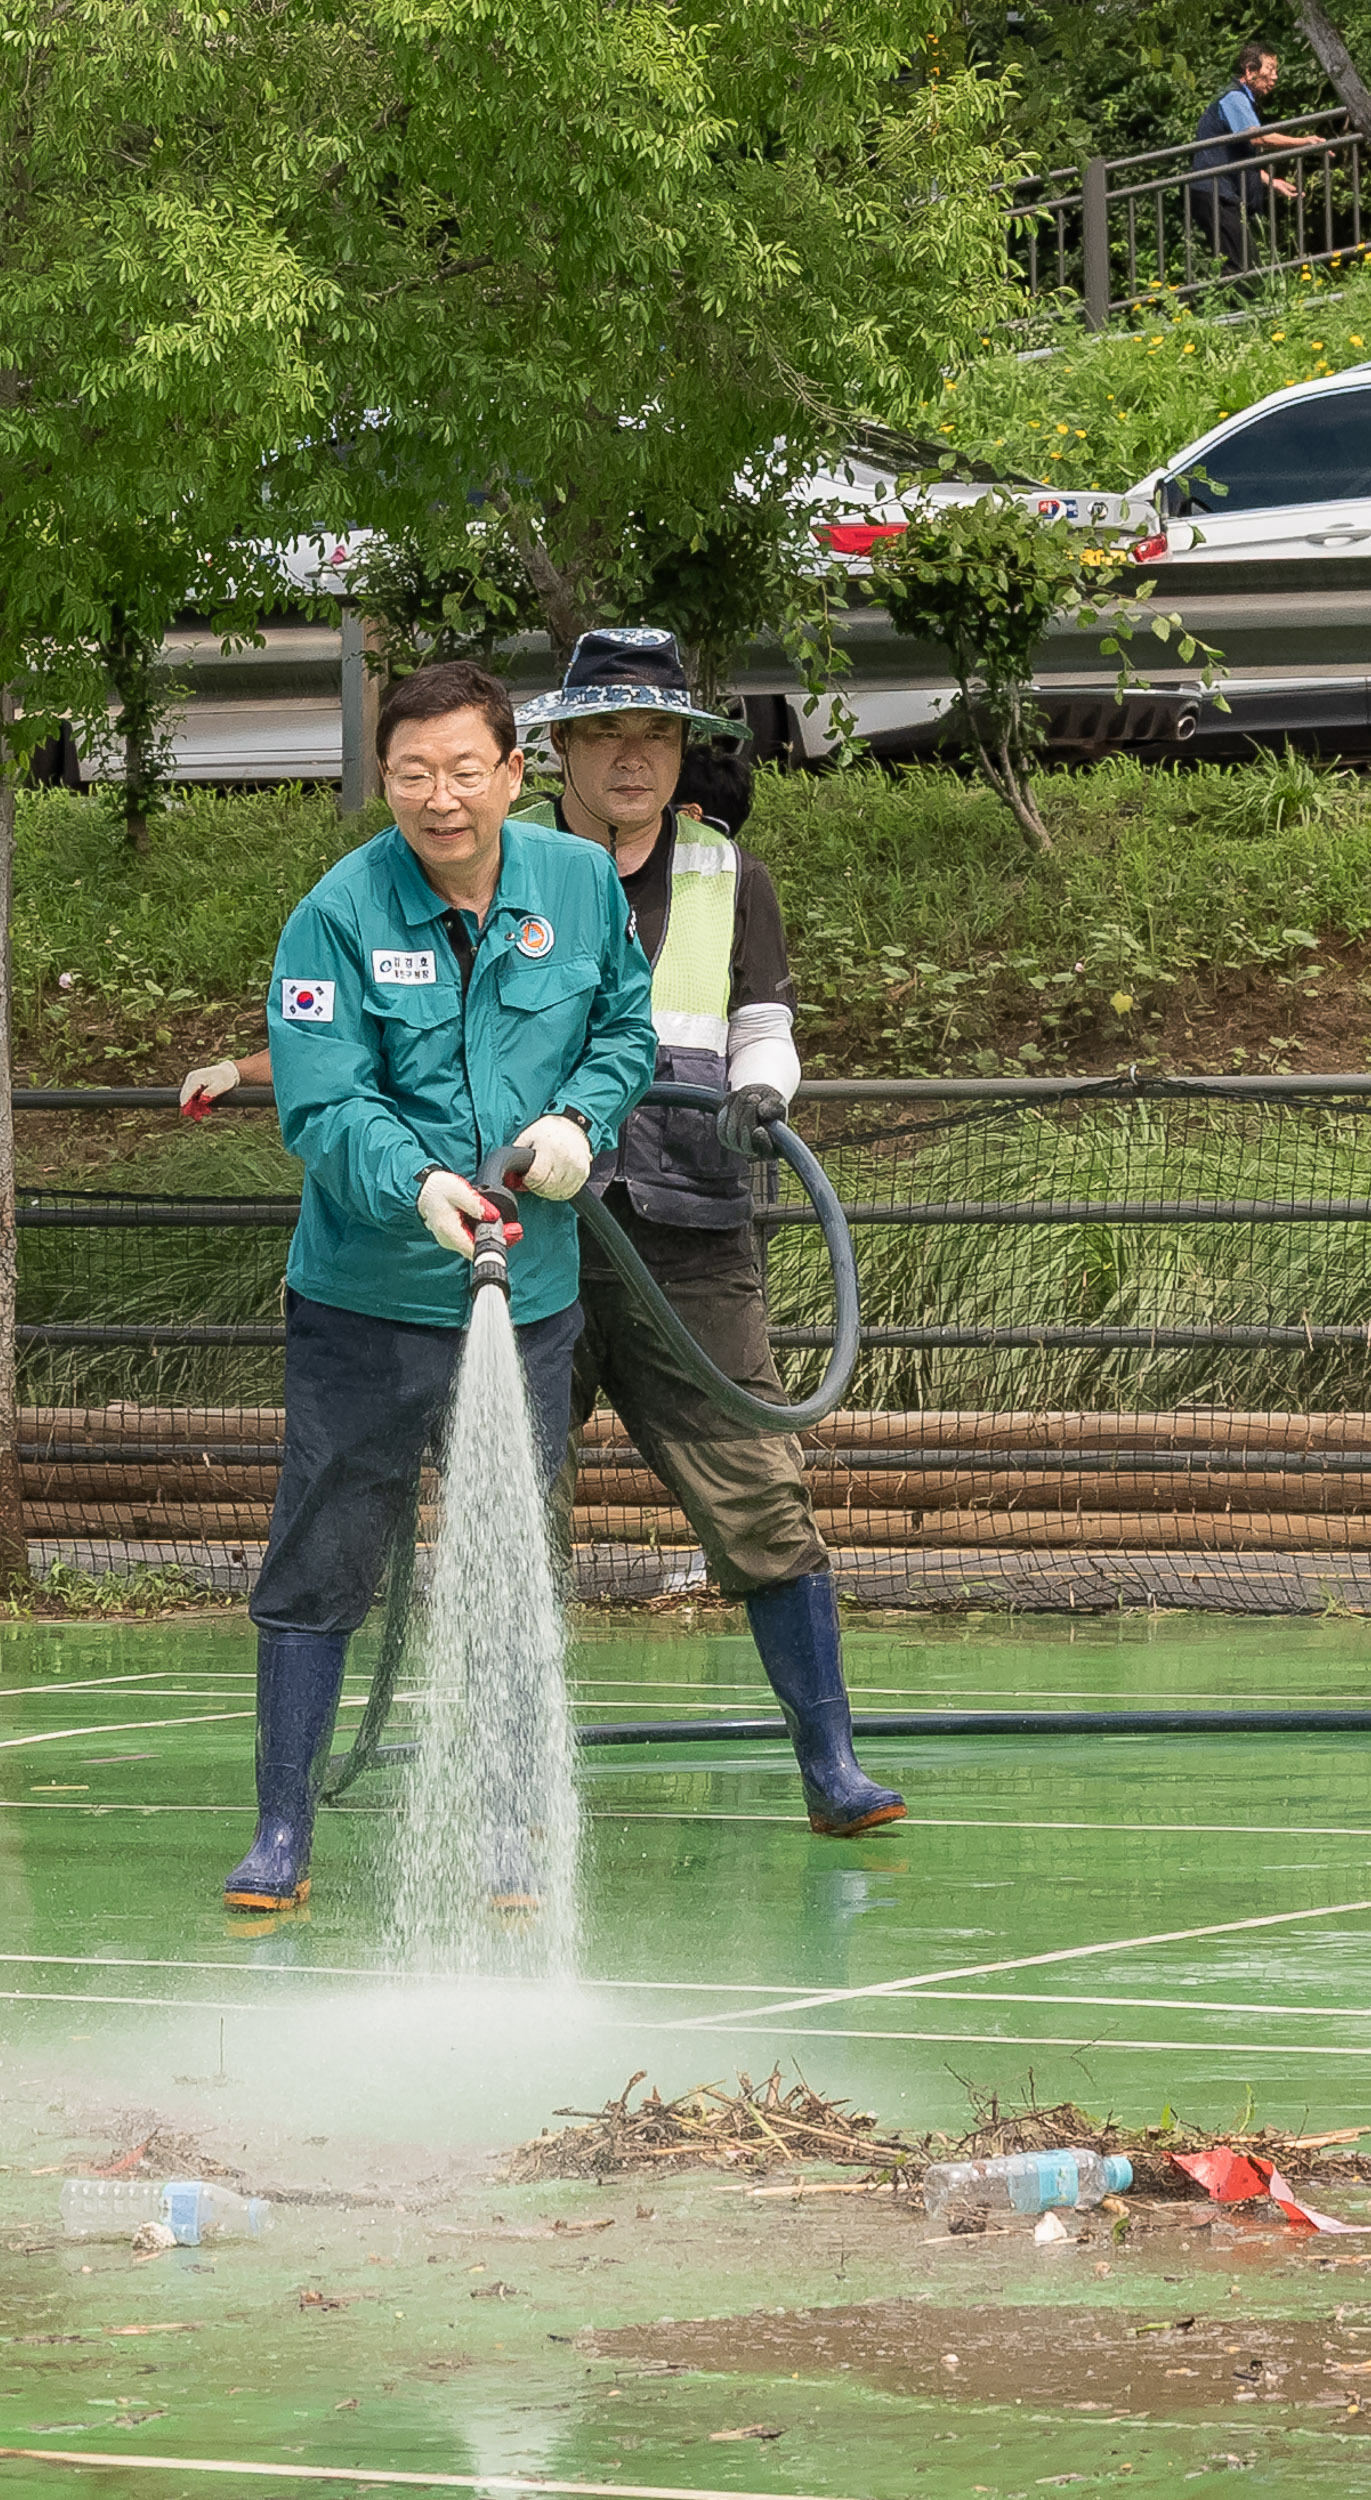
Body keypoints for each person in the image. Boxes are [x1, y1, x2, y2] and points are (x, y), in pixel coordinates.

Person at [223, 658, 655, 1912]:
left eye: (465, 769)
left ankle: (507, 1835)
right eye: (411, 774)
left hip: (523, 1302)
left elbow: (622, 1029)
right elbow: (319, 1096)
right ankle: (281, 1830)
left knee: (507, 1559)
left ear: (514, 772)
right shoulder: (335, 916)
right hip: (365, 1298)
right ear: (385, 782)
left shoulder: (578, 886)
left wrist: (582, 1120)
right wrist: (414, 1181)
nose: (440, 797)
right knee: (320, 1554)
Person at [514, 627, 905, 1838]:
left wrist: (762, 1094)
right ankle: (511, 1792)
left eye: (652, 735)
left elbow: (762, 1025)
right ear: (560, 749)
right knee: (511, 1502)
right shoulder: (501, 866)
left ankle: (830, 1766)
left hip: (688, 1222)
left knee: (759, 1493)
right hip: (529, 1224)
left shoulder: (728, 875)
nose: (629, 758)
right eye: (603, 734)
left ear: (682, 750)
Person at [1189, 42, 1308, 280]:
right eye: (1270, 69)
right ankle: (1223, 312)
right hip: (1213, 190)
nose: (1275, 76)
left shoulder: (1239, 100)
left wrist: (1272, 182)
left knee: (1241, 260)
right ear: (1250, 70)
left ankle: (1221, 309)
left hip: (1217, 190)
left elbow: (1234, 152)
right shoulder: (1234, 98)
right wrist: (1304, 142)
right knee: (1240, 264)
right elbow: (1258, 138)